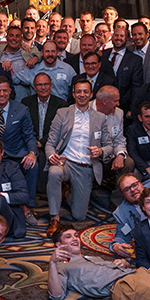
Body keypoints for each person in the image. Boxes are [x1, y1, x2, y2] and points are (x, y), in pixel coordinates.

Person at [45, 79, 112, 234]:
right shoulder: (62, 113)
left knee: (79, 216)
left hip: (85, 166)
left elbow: (109, 146)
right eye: (79, 91)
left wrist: (101, 151)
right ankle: (54, 218)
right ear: (74, 94)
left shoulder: (100, 118)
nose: (82, 95)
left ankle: (66, 193)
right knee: (54, 173)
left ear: (91, 95)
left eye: (85, 92)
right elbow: (50, 143)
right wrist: (51, 156)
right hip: (65, 162)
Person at [0, 76, 39, 224]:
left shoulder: (21, 110)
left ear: (10, 91)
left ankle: (27, 207)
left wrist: (32, 153)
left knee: (33, 166)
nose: (2, 94)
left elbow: (29, 135)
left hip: (17, 153)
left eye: (5, 90)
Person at [101, 26, 145, 114]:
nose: (118, 38)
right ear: (112, 37)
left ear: (127, 38)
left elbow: (136, 88)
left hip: (123, 107)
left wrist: (132, 109)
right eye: (116, 35)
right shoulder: (102, 55)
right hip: (102, 105)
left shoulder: (135, 60)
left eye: (122, 36)